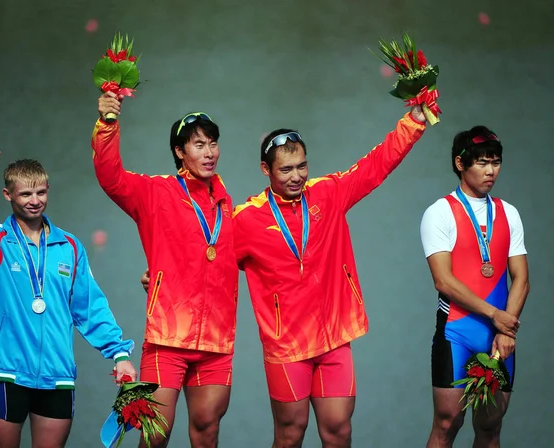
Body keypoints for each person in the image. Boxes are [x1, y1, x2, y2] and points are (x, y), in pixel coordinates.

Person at [231, 105, 429, 447]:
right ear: (265, 169)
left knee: (338, 430)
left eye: (302, 166)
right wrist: (163, 273)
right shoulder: (246, 219)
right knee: (290, 434)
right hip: (287, 344)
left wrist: (414, 121)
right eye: (286, 169)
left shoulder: (329, 192)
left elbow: (376, 165)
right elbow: (207, 257)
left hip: (334, 336)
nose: (296, 176)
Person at [0, 137, 137, 448]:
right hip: (7, 375)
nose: (34, 200)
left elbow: (90, 307)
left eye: (40, 192)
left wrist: (118, 353)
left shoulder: (70, 247)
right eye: (25, 193)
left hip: (58, 376)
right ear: (7, 195)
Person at [93, 93, 238, 448]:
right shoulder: (156, 192)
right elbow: (110, 177)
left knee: (207, 432)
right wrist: (108, 124)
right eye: (199, 145)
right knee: (156, 435)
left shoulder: (225, 203)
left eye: (213, 144)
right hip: (167, 340)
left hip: (216, 342)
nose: (209, 152)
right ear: (179, 152)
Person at [420, 127, 528, 447]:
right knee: (447, 423)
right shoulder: (439, 213)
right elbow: (444, 281)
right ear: (459, 163)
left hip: (499, 338)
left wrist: (506, 331)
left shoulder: (509, 213)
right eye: (481, 162)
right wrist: (497, 315)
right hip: (457, 333)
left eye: (495, 162)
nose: (490, 170)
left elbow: (521, 278)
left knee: (490, 428)